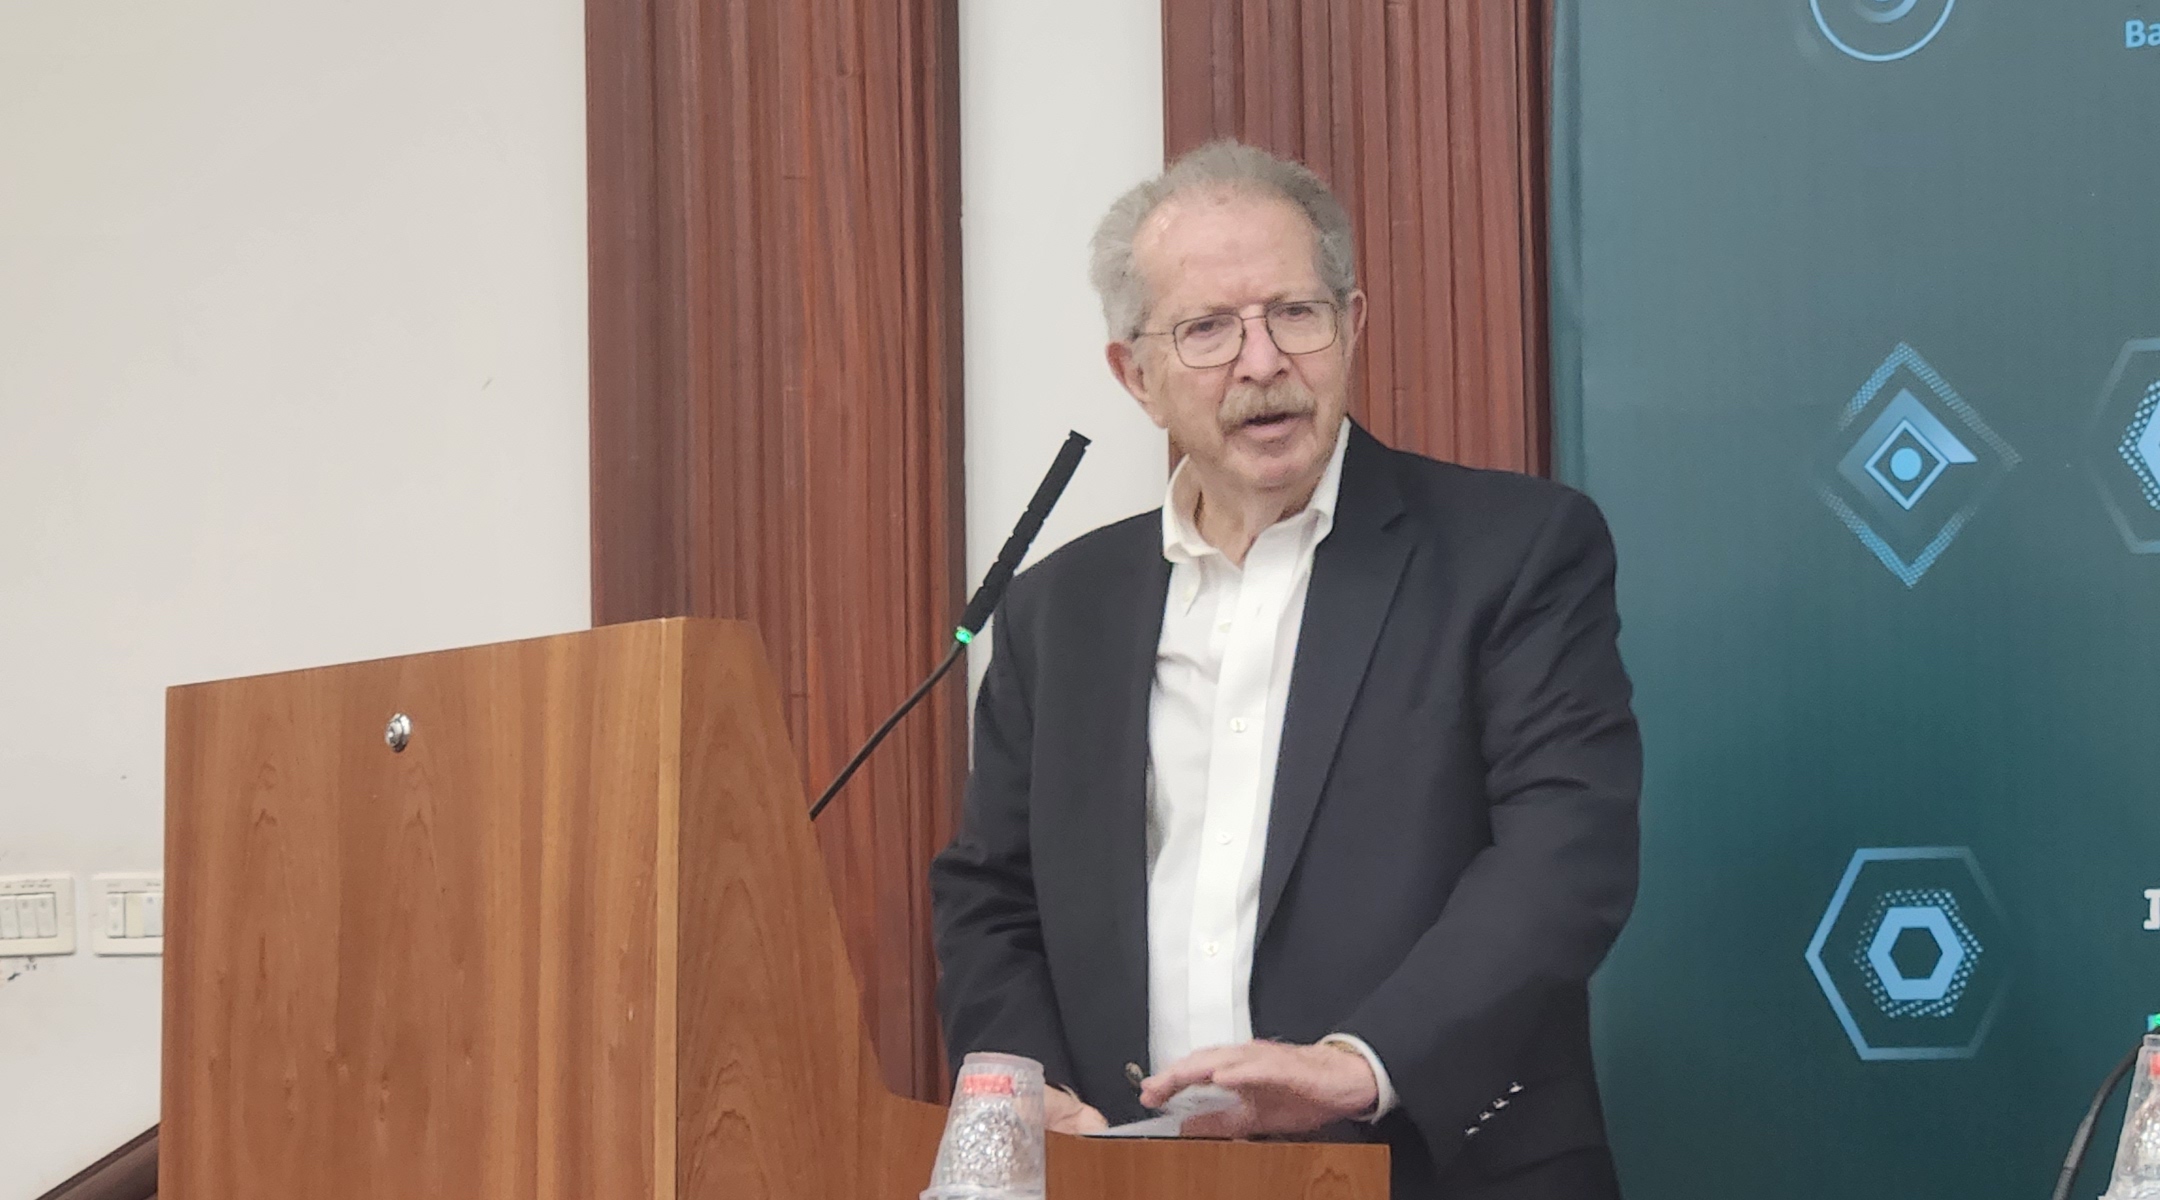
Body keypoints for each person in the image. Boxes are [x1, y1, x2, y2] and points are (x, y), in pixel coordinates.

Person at [929, 140, 1641, 1199]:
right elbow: (990, 895)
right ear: (1137, 375)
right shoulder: (1054, 610)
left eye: (1294, 314)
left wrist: (1356, 1066)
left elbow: (1565, 853)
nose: (1262, 362)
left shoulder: (1515, 551)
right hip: (1132, 1180)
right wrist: (1033, 1094)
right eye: (1208, 329)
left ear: (1352, 324)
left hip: (1441, 1170)